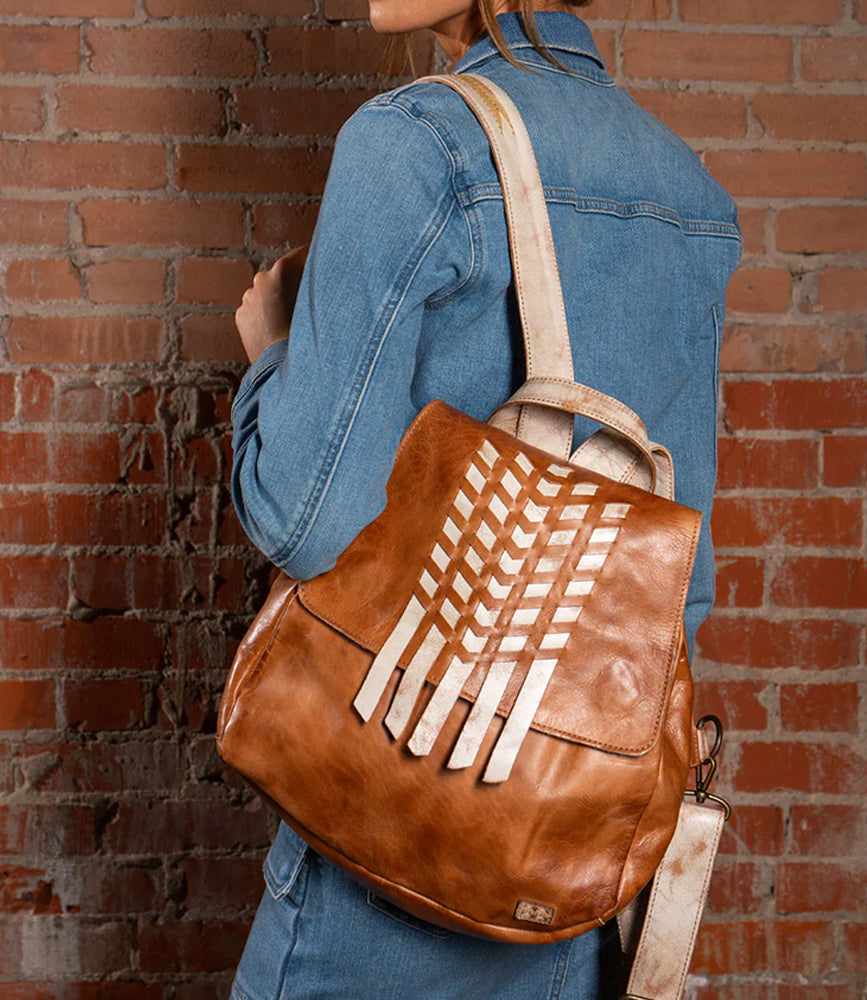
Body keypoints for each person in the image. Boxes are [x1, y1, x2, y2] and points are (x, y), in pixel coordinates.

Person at [226, 0, 741, 997]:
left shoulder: (411, 144)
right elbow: (675, 591)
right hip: (571, 866)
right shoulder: (690, 193)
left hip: (396, 828)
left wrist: (276, 358)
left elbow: (302, 516)